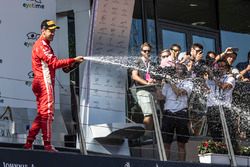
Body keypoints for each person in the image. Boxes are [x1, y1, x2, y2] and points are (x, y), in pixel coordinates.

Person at [23, 19, 84, 152]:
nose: (53, 33)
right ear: (43, 31)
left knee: (41, 115)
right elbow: (54, 64)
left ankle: (28, 145)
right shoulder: (42, 45)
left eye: (54, 31)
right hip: (44, 83)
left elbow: (57, 66)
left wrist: (71, 64)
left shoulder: (44, 44)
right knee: (47, 114)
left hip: (41, 82)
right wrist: (72, 60)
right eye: (50, 31)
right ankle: (48, 146)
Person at [161, 63, 193, 161]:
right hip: (168, 113)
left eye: (180, 69)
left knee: (181, 143)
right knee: (166, 143)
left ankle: (182, 164)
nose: (177, 71)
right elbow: (161, 97)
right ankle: (165, 164)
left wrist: (170, 81)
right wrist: (157, 84)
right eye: (176, 69)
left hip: (181, 113)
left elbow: (179, 92)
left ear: (184, 71)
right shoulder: (167, 83)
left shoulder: (188, 83)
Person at [205, 60, 239, 152]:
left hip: (224, 108)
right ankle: (218, 152)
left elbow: (223, 87)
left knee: (230, 133)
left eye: (222, 66)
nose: (219, 68)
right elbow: (204, 89)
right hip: (212, 108)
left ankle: (235, 153)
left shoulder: (230, 79)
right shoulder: (209, 79)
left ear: (227, 69)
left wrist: (213, 77)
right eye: (218, 66)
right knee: (215, 135)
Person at [131, 42, 156, 132]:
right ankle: (147, 136)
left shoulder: (152, 63)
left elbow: (153, 76)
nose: (147, 53)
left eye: (148, 51)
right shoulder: (137, 61)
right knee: (148, 114)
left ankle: (150, 135)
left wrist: (153, 80)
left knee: (153, 114)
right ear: (141, 52)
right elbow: (134, 76)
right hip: (141, 89)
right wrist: (146, 83)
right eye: (144, 51)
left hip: (151, 89)